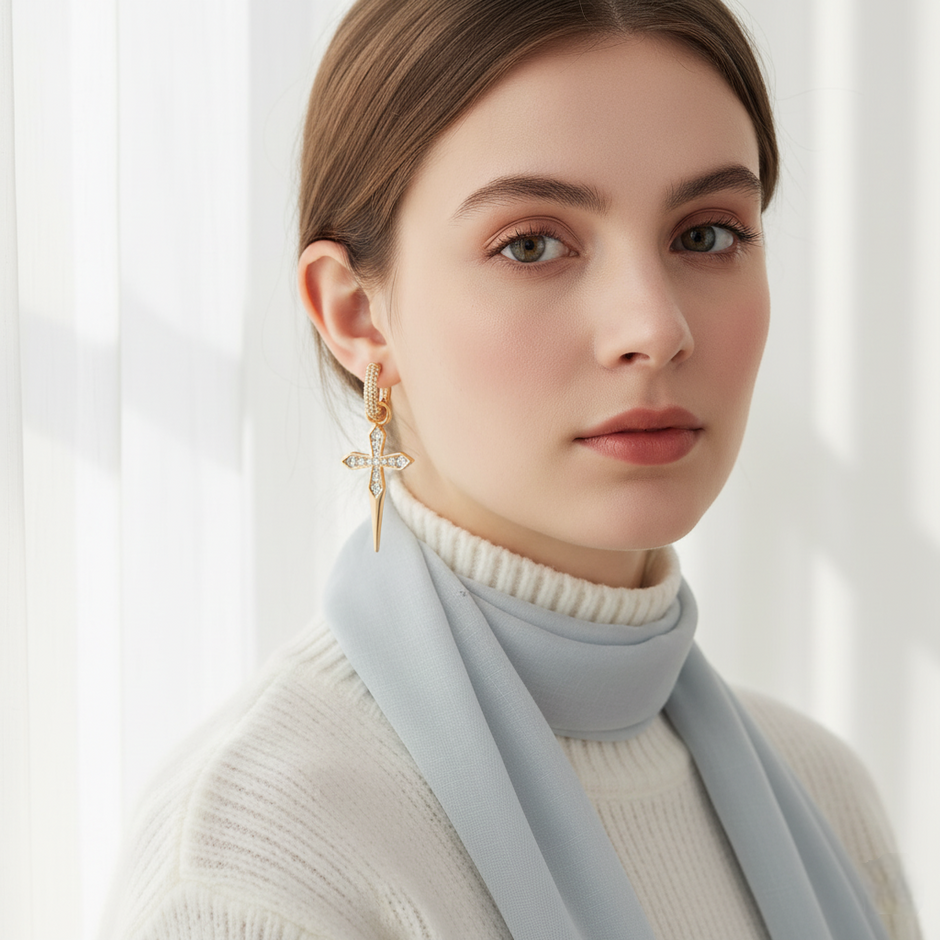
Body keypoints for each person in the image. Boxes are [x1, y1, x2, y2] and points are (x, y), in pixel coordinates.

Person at [99, 0, 920, 937]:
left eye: (706, 234)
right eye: (531, 244)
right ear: (358, 317)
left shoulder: (827, 799)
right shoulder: (255, 867)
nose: (654, 328)